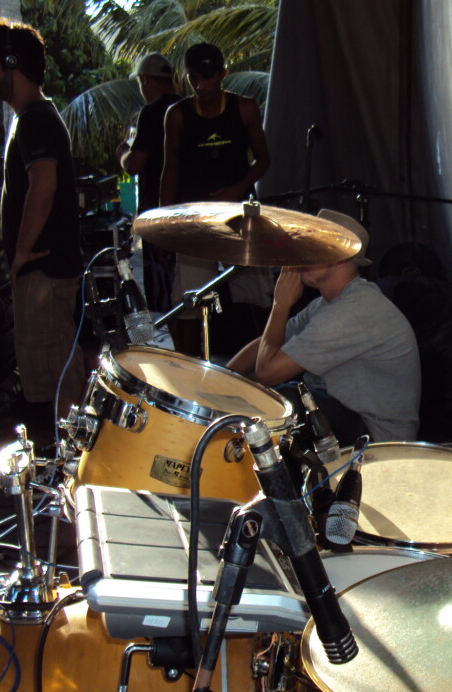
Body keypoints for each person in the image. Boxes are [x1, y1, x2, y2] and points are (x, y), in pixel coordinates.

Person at [228, 210, 421, 444]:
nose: (301, 256)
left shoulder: (354, 310)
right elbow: (268, 343)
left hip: (377, 437)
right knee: (287, 398)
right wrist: (220, 380)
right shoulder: (326, 304)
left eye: (312, 247)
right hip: (341, 414)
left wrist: (280, 305)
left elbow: (267, 372)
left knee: (286, 403)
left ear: (340, 257)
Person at [0, 19, 85, 422]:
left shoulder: (36, 119)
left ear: (12, 62)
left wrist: (21, 252)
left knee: (57, 383)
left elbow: (44, 185)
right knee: (57, 374)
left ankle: (70, 458)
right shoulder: (32, 117)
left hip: (43, 272)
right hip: (44, 271)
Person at [160, 42, 271, 358]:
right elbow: (170, 171)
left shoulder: (244, 108)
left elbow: (264, 160)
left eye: (207, 77)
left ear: (222, 74)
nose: (201, 85)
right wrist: (165, 227)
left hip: (240, 213)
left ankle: (266, 361)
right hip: (195, 217)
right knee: (189, 299)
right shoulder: (177, 115)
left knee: (259, 294)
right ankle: (190, 368)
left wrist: (238, 188)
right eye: (194, 78)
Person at [115, 52, 180, 312]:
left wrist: (123, 154)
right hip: (191, 211)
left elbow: (135, 164)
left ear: (145, 80)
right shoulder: (188, 108)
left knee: (166, 300)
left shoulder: (152, 113)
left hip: (159, 214)